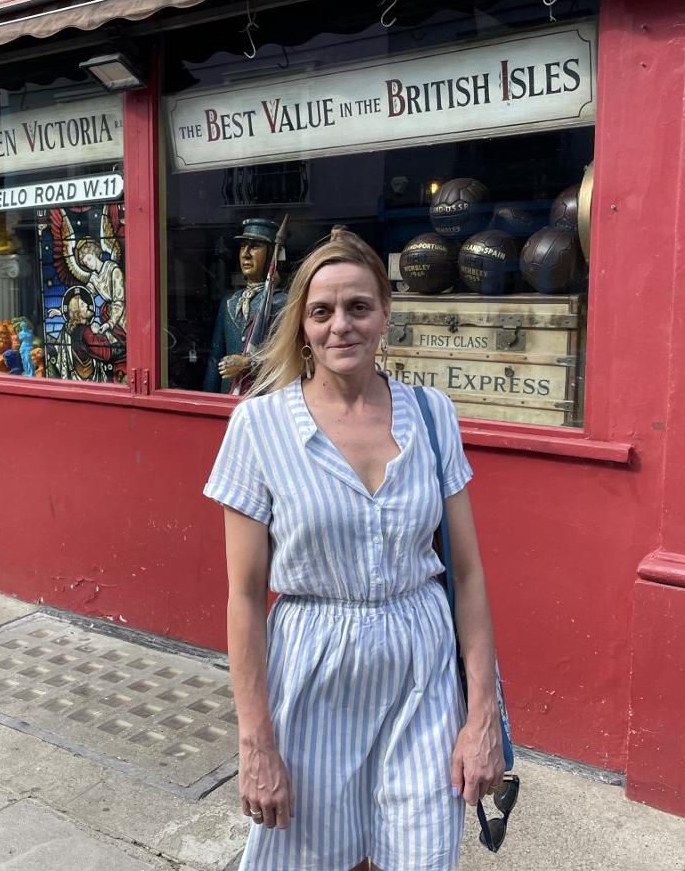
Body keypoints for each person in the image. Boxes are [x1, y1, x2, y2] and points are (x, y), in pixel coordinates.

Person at [204, 226, 505, 870]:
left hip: (421, 666)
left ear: (386, 315)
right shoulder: (258, 427)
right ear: (303, 324)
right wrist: (256, 743)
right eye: (322, 311)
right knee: (313, 856)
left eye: (358, 307)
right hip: (313, 671)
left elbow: (470, 575)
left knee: (419, 856)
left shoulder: (432, 415)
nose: (341, 325)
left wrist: (482, 718)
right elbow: (244, 596)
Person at [203, 218, 287, 394]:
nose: (246, 254)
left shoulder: (281, 302)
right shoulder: (229, 302)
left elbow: (287, 358)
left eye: (255, 246)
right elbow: (215, 357)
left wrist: (248, 363)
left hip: (262, 399)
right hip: (228, 400)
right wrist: (207, 398)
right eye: (243, 247)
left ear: (272, 254)